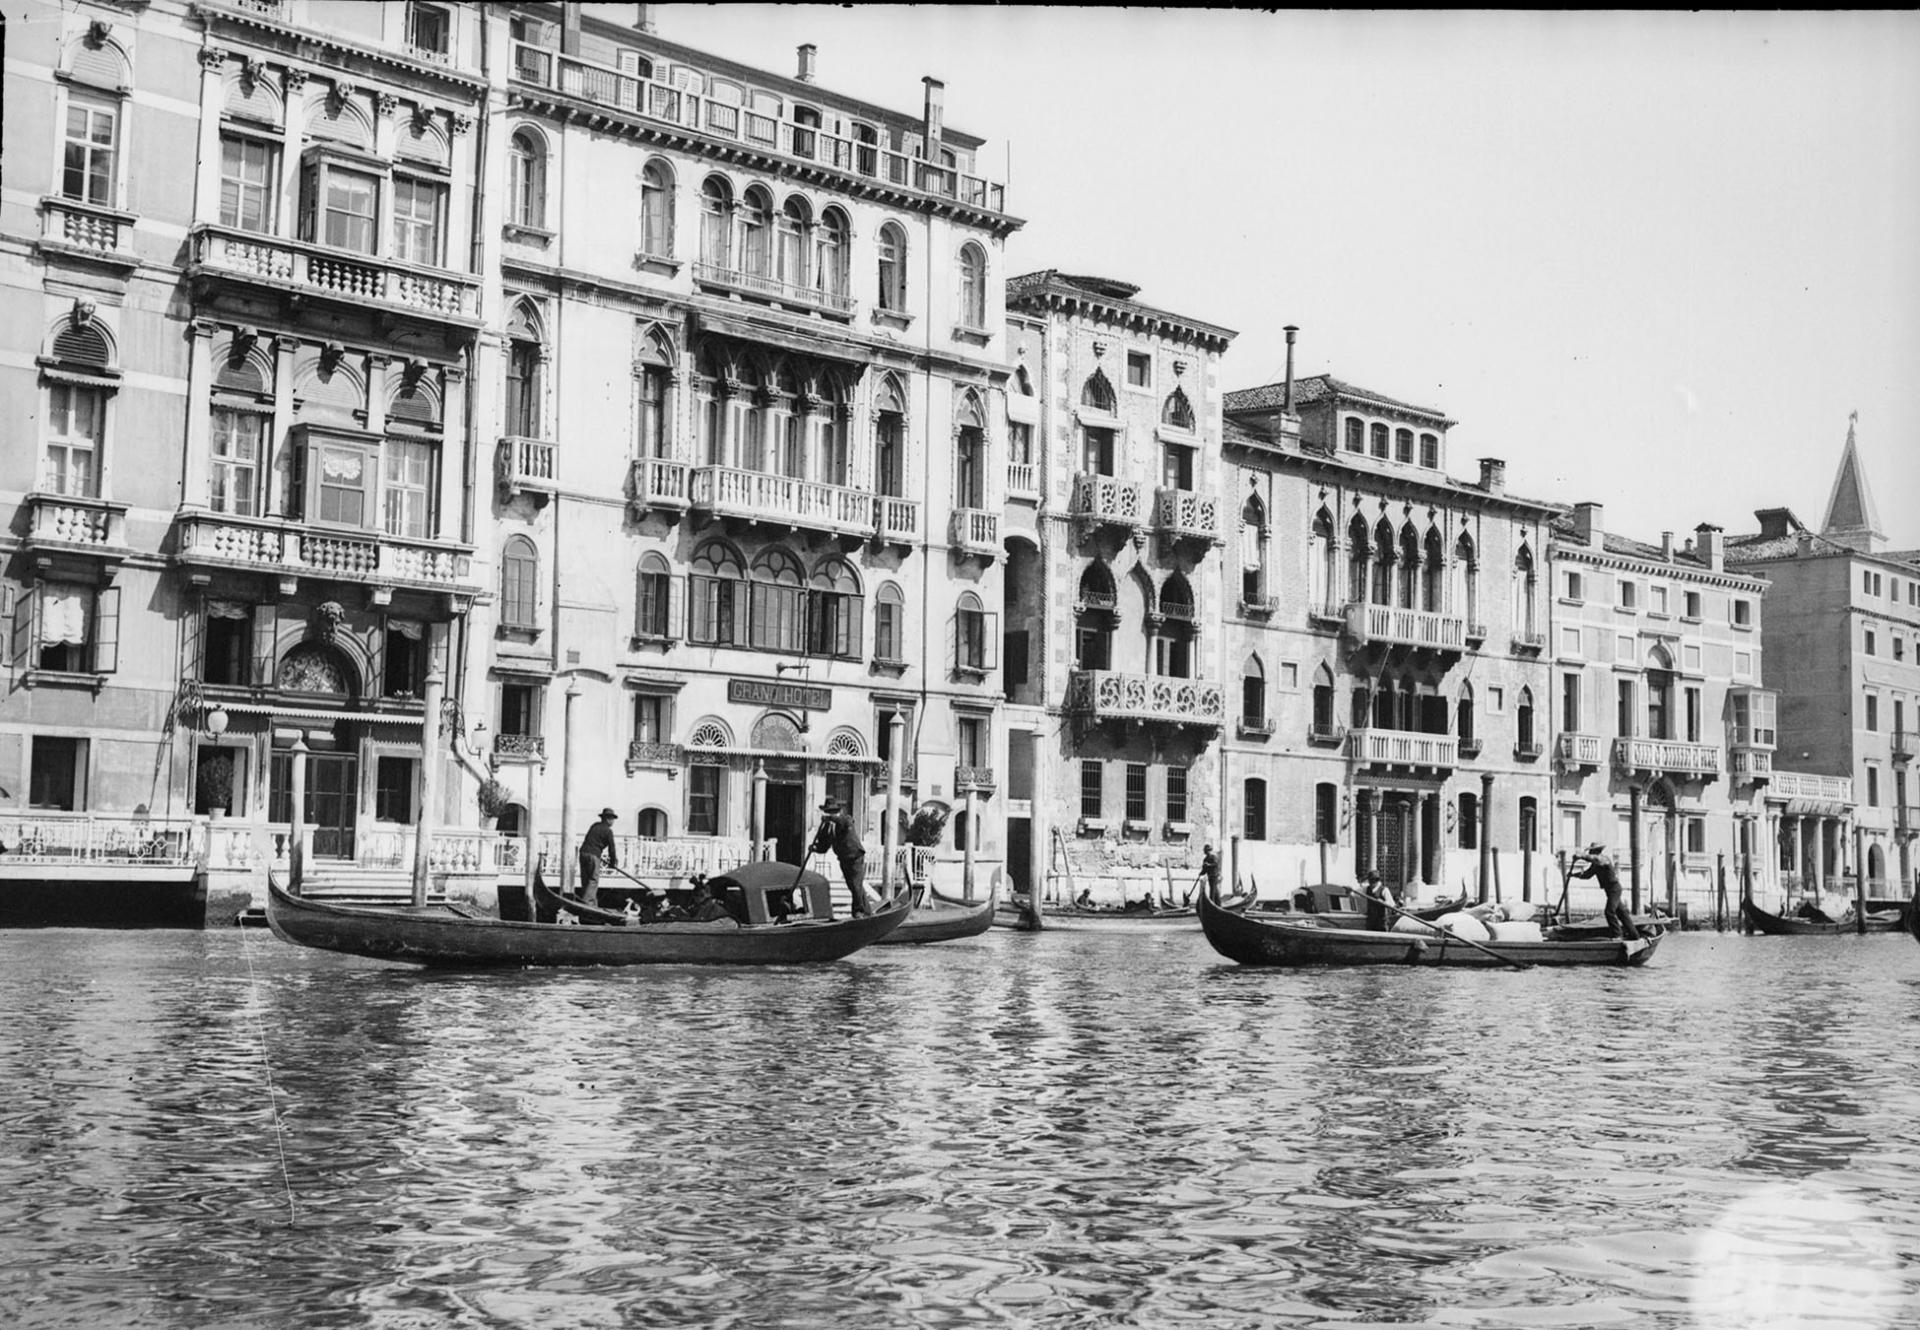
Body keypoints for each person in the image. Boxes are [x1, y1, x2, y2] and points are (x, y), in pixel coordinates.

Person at [809, 797, 870, 917]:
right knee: (853, 885)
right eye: (828, 812)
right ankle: (867, 911)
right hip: (843, 859)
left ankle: (858, 912)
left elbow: (845, 822)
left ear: (838, 812)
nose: (831, 814)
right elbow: (823, 847)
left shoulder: (846, 820)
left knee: (855, 884)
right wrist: (814, 848)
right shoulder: (826, 827)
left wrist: (830, 818)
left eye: (833, 812)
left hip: (855, 856)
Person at [1569, 842, 1641, 940]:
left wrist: (1581, 856)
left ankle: (1618, 935)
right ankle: (1635, 935)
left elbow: (1594, 858)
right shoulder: (1595, 865)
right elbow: (1586, 875)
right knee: (1622, 913)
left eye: (1591, 852)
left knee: (1609, 912)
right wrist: (1573, 875)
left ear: (1596, 851)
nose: (1590, 853)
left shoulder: (1603, 859)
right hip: (1609, 890)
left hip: (1614, 889)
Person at [578, 807, 619, 908]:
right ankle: (587, 902)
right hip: (593, 855)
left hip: (583, 853)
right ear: (607, 819)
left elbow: (589, 839)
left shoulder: (594, 826)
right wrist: (613, 862)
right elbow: (612, 849)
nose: (613, 821)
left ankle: (592, 904)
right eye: (612, 819)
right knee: (593, 879)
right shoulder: (608, 831)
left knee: (586, 879)